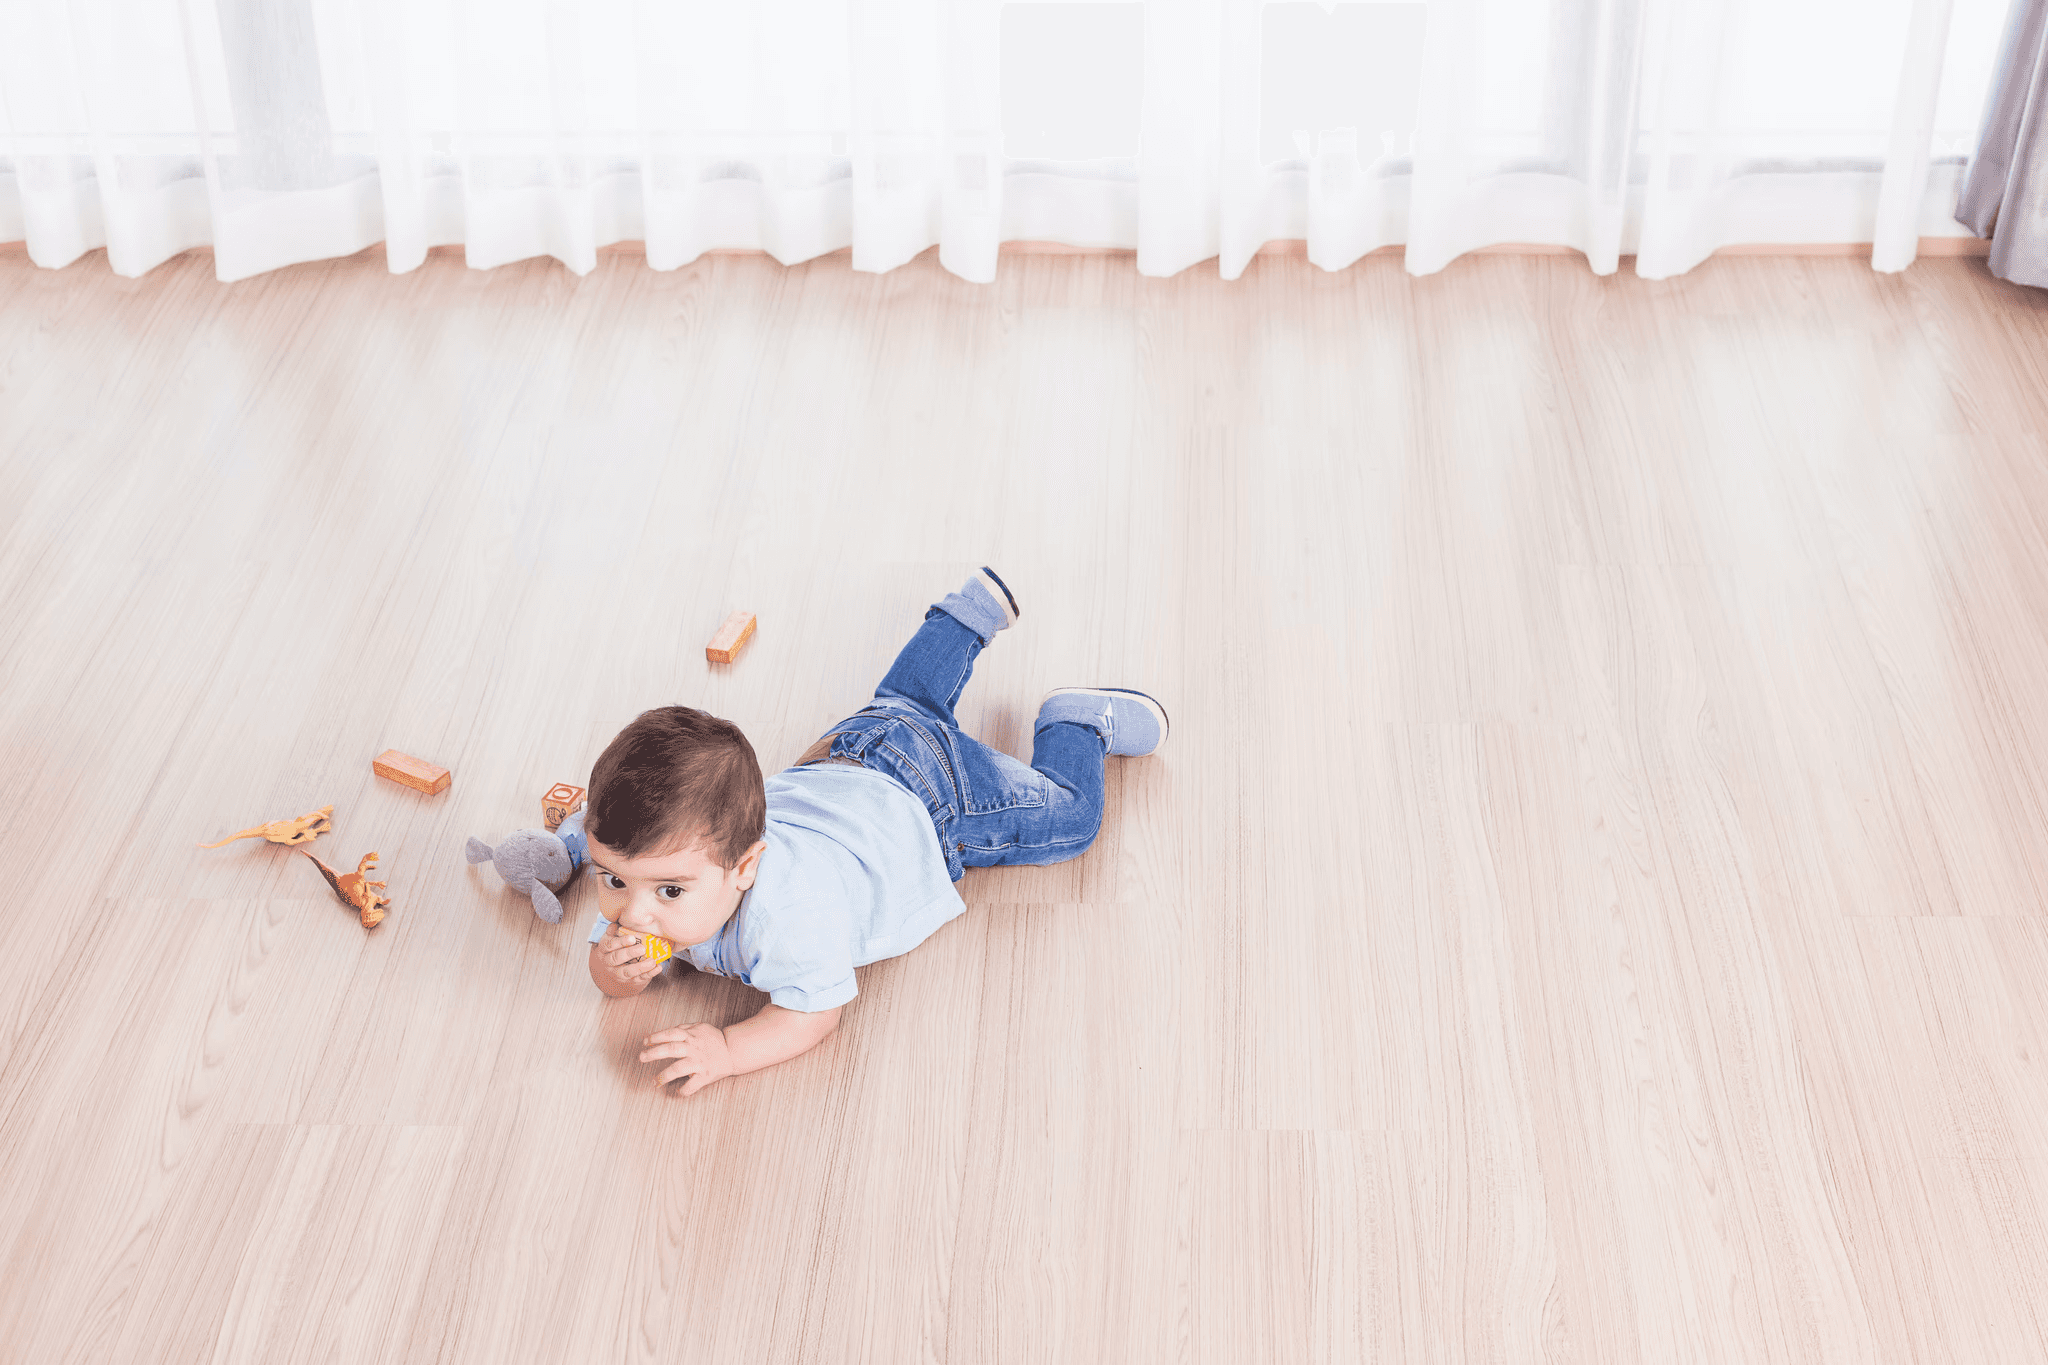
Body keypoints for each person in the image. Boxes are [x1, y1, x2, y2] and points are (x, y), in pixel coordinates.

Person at [582, 568, 1169, 1095]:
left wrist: (729, 1050)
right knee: (905, 701)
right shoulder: (650, 882)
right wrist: (615, 971)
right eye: (611, 879)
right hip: (846, 752)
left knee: (1071, 821)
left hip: (932, 801)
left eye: (670, 891)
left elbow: (813, 1014)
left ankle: (1074, 725)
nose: (632, 915)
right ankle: (964, 617)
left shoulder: (788, 920)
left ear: (746, 868)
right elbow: (609, 965)